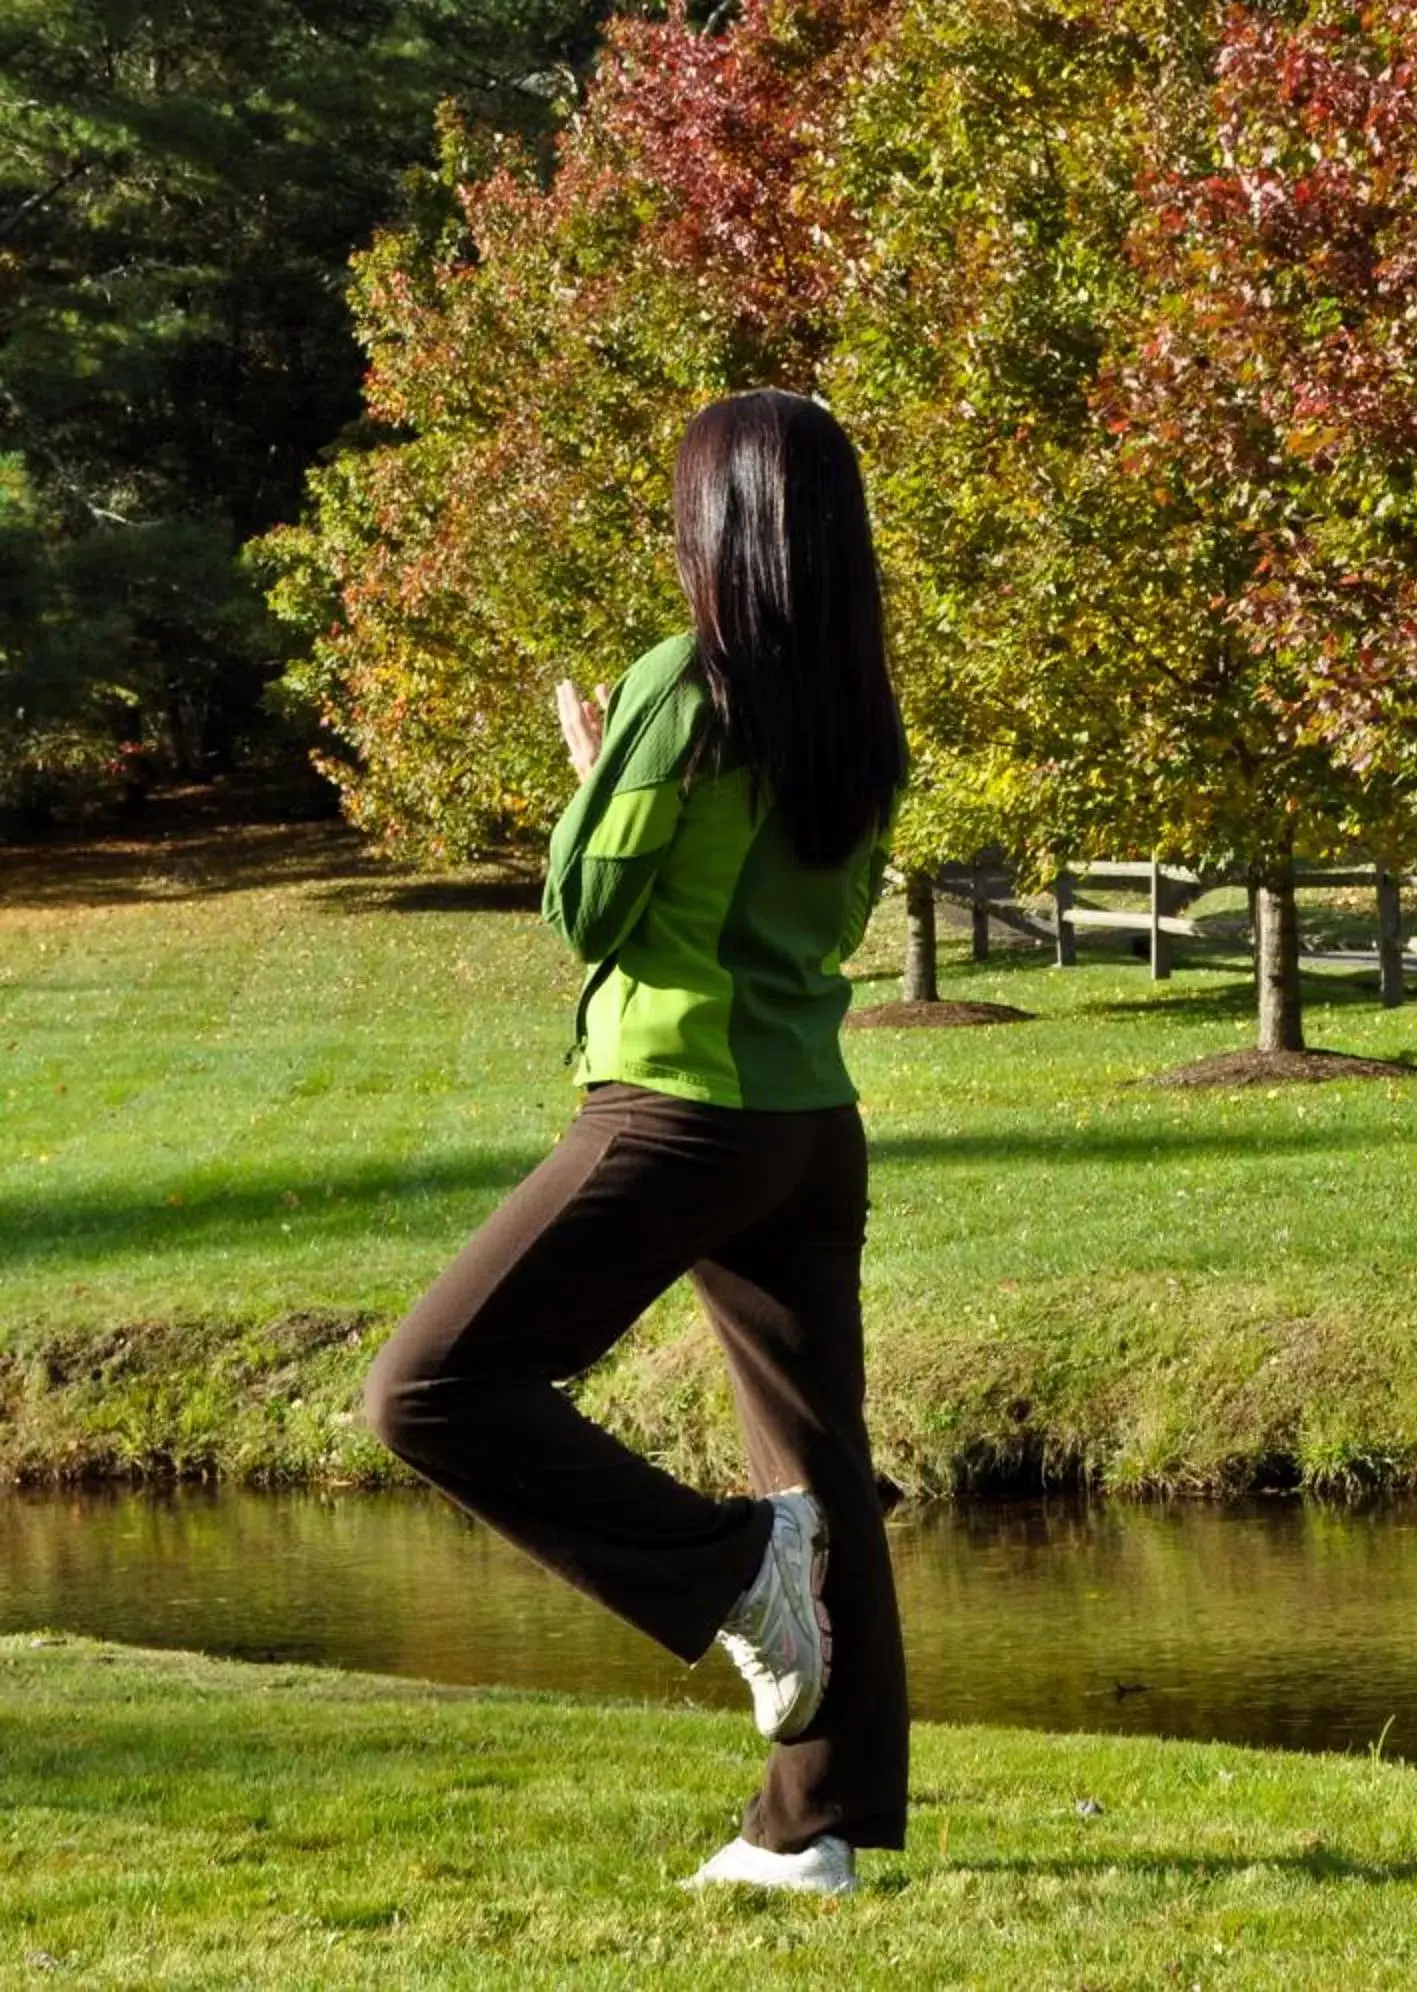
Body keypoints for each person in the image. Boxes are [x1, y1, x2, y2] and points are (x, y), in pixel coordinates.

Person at [360, 389, 911, 1898]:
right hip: (811, 1123)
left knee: (427, 1388)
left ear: (714, 526)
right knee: (821, 1471)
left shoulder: (685, 682)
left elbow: (589, 910)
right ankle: (811, 1835)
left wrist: (597, 775)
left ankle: (735, 1569)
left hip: (677, 1112)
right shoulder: (861, 711)